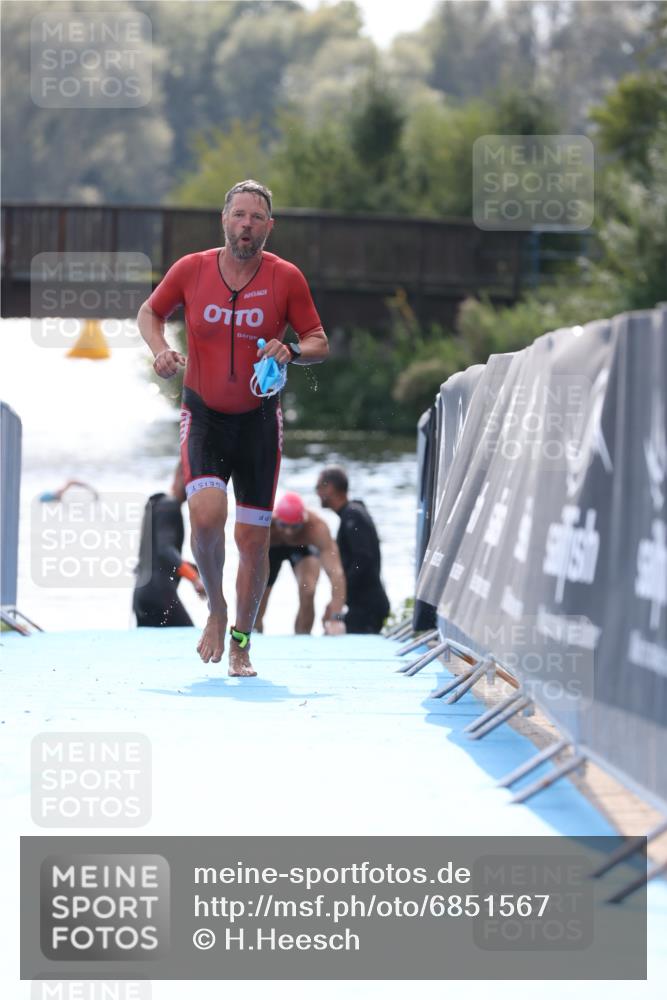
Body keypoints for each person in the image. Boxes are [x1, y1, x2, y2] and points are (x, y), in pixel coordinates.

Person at [136, 179, 328, 676]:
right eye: (239, 215)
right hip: (204, 415)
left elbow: (318, 340)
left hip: (259, 422)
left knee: (253, 542)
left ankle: (242, 640)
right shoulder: (192, 269)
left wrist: (292, 350)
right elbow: (150, 312)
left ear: (269, 226)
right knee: (205, 515)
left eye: (256, 218)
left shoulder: (285, 277)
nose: (246, 225)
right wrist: (161, 350)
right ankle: (217, 611)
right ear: (224, 220)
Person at [255, 492, 347, 635]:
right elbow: (246, 567)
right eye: (283, 525)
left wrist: (336, 617)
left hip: (303, 549)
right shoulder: (264, 526)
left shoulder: (317, 528)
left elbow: (336, 573)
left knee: (308, 590)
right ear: (276, 519)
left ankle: (303, 636)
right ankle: (253, 631)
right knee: (257, 595)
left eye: (295, 527)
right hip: (271, 549)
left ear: (304, 521)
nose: (288, 532)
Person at [316, 466, 390, 634]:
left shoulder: (353, 515)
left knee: (334, 637)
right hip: (362, 606)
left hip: (367, 609)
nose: (317, 493)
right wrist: (336, 600)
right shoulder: (352, 513)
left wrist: (339, 596)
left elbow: (363, 560)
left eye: (318, 487)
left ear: (330, 488)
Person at [133, 463, 206, 627]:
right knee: (189, 637)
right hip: (158, 593)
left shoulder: (157, 504)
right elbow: (165, 551)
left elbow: (158, 557)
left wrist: (195, 569)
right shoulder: (170, 506)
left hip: (141, 594)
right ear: (181, 475)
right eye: (194, 481)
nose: (197, 488)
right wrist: (195, 579)